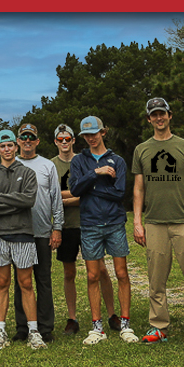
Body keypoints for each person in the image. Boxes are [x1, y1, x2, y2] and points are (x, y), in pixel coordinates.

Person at [132, 97, 184, 349]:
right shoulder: (141, 149)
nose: (159, 118)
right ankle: (159, 327)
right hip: (155, 223)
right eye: (154, 115)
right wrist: (138, 221)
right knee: (156, 281)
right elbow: (138, 189)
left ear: (170, 116)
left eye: (162, 114)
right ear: (149, 119)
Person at [69, 116, 139, 345]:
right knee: (92, 275)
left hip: (115, 223)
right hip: (89, 224)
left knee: (121, 273)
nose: (91, 138)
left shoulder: (117, 160)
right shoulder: (79, 160)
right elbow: (77, 188)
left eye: (94, 133)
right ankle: (96, 327)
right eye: (86, 135)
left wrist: (91, 188)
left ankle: (125, 324)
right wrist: (97, 174)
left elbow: (120, 194)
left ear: (103, 132)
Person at [51, 124, 119, 336]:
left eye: (67, 138)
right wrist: (76, 196)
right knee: (69, 272)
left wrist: (65, 198)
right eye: (60, 139)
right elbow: (50, 196)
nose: (64, 142)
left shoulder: (85, 160)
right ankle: (72, 318)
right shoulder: (51, 165)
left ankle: (111, 315)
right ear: (55, 141)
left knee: (100, 270)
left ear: (73, 140)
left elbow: (92, 192)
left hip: (90, 222)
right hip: (66, 225)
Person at [0, 129, 42, 350]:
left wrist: (2, 199)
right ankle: (0, 331)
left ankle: (34, 332)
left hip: (23, 234)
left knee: (26, 283)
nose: (7, 149)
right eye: (2, 146)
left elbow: (28, 200)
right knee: (2, 282)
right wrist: (13, 201)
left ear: (15, 147)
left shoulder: (26, 173)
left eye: (10, 145)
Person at [13, 124, 62, 343]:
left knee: (43, 280)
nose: (27, 141)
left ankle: (45, 327)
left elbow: (56, 198)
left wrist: (57, 227)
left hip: (42, 231)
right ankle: (22, 327)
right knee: (20, 282)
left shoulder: (48, 165)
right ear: (18, 141)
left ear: (37, 141)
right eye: (23, 137)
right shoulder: (11, 164)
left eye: (31, 137)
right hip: (18, 232)